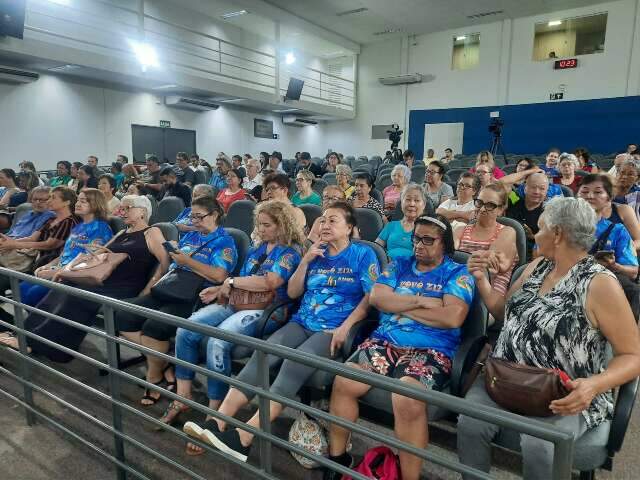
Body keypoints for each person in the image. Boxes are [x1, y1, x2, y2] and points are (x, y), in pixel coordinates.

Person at [458, 197, 640, 480]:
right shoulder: (537, 267)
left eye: (540, 228)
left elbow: (632, 355)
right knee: (469, 422)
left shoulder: (600, 284)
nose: (534, 234)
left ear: (558, 234)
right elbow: (505, 313)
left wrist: (593, 386)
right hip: (508, 376)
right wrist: (482, 279)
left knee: (541, 443)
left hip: (566, 390)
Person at [185, 202, 380, 462]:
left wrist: (346, 327)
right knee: (262, 355)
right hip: (302, 321)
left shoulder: (363, 254)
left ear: (350, 228)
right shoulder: (315, 252)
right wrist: (307, 260)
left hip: (333, 329)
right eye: (322, 220)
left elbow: (371, 297)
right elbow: (293, 293)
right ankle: (218, 423)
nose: (324, 225)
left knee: (291, 364)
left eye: (333, 220)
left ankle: (246, 436)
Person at [326, 215, 475, 480]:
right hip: (385, 342)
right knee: (344, 380)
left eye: (428, 240)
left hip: (432, 350)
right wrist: (425, 302)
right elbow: (378, 298)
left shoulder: (457, 273)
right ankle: (337, 461)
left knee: (406, 396)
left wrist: (401, 303)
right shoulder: (399, 264)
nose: (419, 244)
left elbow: (452, 317)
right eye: (416, 238)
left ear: (445, 243)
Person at [161, 201, 304, 445]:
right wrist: (220, 287)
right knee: (186, 328)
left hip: (268, 310)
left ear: (283, 225)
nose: (261, 229)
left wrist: (230, 284)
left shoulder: (290, 252)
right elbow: (241, 279)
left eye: (267, 225)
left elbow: (269, 282)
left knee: (218, 341)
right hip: (238, 300)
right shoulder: (258, 248)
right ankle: (183, 397)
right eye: (259, 223)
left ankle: (215, 412)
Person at [0, 196, 170, 361]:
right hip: (105, 279)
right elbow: (99, 252)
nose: (121, 211)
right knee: (64, 284)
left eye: (127, 208)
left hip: (125, 285)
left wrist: (147, 291)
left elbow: (164, 263)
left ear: (142, 211)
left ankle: (38, 343)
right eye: (121, 208)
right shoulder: (121, 232)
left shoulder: (152, 232)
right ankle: (28, 336)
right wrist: (84, 257)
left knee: (77, 295)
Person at [115, 196, 237, 405]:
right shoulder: (190, 237)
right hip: (169, 287)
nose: (195, 222)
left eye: (199, 217)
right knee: (121, 315)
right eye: (192, 217)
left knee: (154, 327)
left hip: (194, 296)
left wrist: (186, 261)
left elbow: (218, 276)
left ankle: (153, 378)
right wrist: (176, 255)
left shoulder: (225, 242)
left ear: (215, 215)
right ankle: (165, 362)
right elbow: (175, 264)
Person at [20, 189, 112, 307]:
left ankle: (41, 322)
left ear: (95, 204)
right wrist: (45, 266)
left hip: (72, 277)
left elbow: (90, 261)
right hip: (59, 270)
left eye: (83, 201)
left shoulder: (100, 228)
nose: (77, 203)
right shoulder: (78, 227)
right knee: (21, 288)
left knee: (33, 294)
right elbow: (64, 253)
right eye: (78, 200)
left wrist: (56, 272)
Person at [454, 183, 517, 313]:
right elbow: (449, 260)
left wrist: (465, 261)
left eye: (490, 205)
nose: (482, 209)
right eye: (479, 202)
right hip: (457, 291)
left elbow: (494, 266)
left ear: (501, 209)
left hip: (489, 300)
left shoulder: (508, 231)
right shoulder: (460, 230)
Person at [577, 175, 639, 280]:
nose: (590, 196)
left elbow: (633, 272)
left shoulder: (617, 230)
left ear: (608, 198)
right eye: (584, 191)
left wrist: (614, 266)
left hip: (602, 283)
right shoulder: (561, 225)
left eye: (598, 192)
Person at [377, 184, 427, 259]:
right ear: (401, 203)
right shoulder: (391, 225)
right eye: (408, 199)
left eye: (416, 200)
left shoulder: (427, 230)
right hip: (387, 267)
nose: (412, 204)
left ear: (424, 205)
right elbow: (376, 248)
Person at [506, 172, 548, 261]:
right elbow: (502, 183)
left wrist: (532, 236)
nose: (537, 191)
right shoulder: (515, 200)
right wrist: (527, 172)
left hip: (530, 257)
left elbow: (550, 241)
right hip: (505, 248)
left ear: (546, 191)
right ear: (525, 188)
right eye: (533, 187)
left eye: (542, 189)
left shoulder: (548, 212)